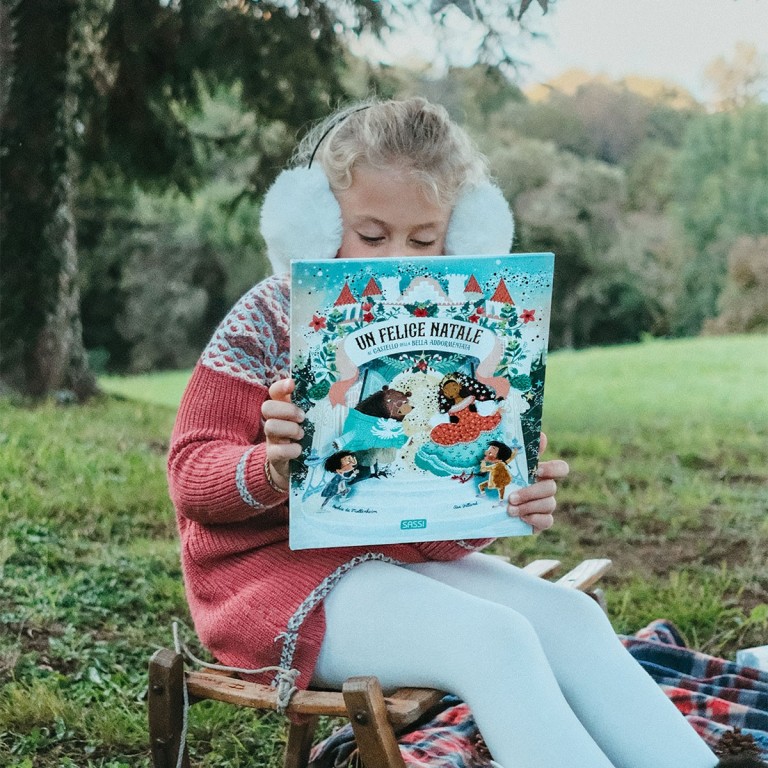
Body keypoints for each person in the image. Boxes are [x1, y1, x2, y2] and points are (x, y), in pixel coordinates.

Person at [168, 97, 759, 768]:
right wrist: (269, 469)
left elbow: (440, 524)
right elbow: (190, 477)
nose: (397, 259)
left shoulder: (459, 323)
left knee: (572, 618)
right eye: (370, 233)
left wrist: (504, 496)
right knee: (494, 639)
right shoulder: (266, 317)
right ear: (316, 221)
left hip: (392, 565)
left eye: (425, 240)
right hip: (275, 585)